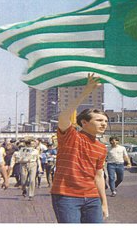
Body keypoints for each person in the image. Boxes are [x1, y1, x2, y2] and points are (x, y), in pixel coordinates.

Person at [50, 74, 109, 223]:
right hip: (66, 196)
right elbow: (64, 117)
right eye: (99, 120)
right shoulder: (71, 136)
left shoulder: (101, 148)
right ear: (84, 122)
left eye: (106, 121)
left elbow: (99, 176)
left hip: (92, 198)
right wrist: (86, 91)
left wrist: (104, 203)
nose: (104, 124)